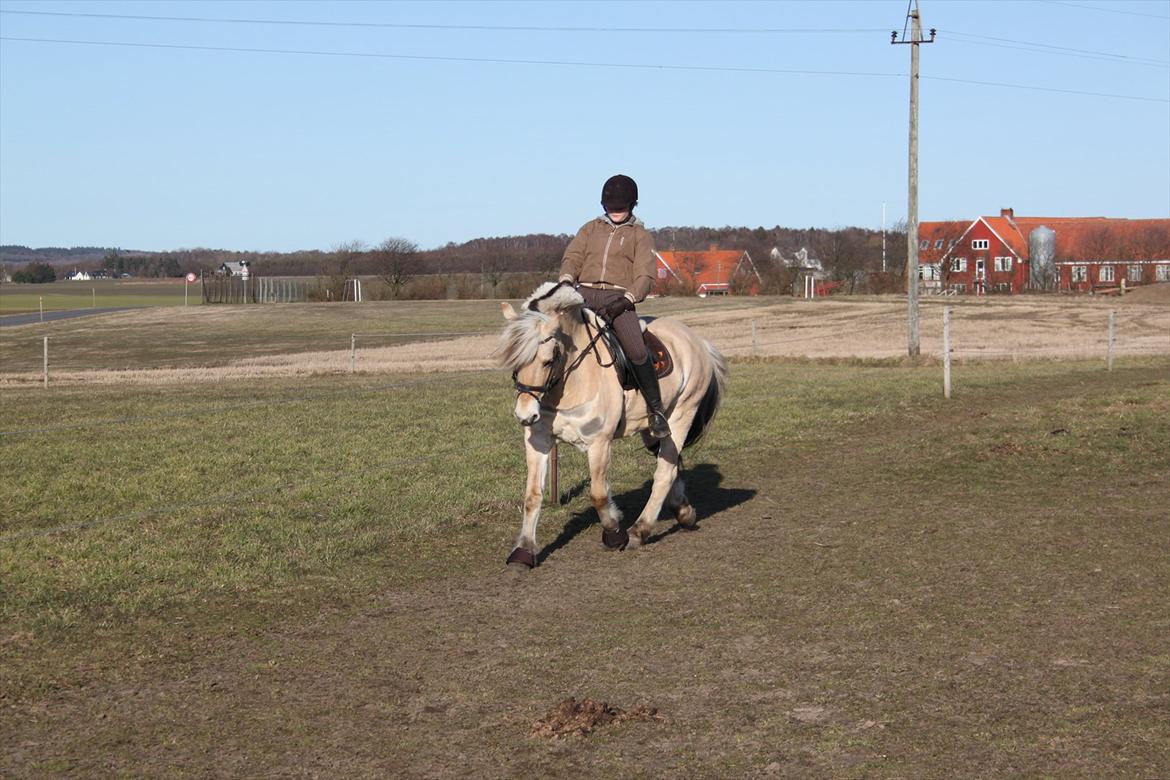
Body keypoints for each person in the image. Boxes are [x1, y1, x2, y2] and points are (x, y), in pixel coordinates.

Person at [558, 174, 671, 439]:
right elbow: (572, 257)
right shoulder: (589, 229)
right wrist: (566, 280)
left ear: (632, 205)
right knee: (551, 335)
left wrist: (628, 299)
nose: (616, 211)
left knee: (636, 349)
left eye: (621, 207)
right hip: (582, 293)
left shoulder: (640, 235)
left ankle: (656, 411)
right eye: (611, 207)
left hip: (619, 299)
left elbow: (645, 275)